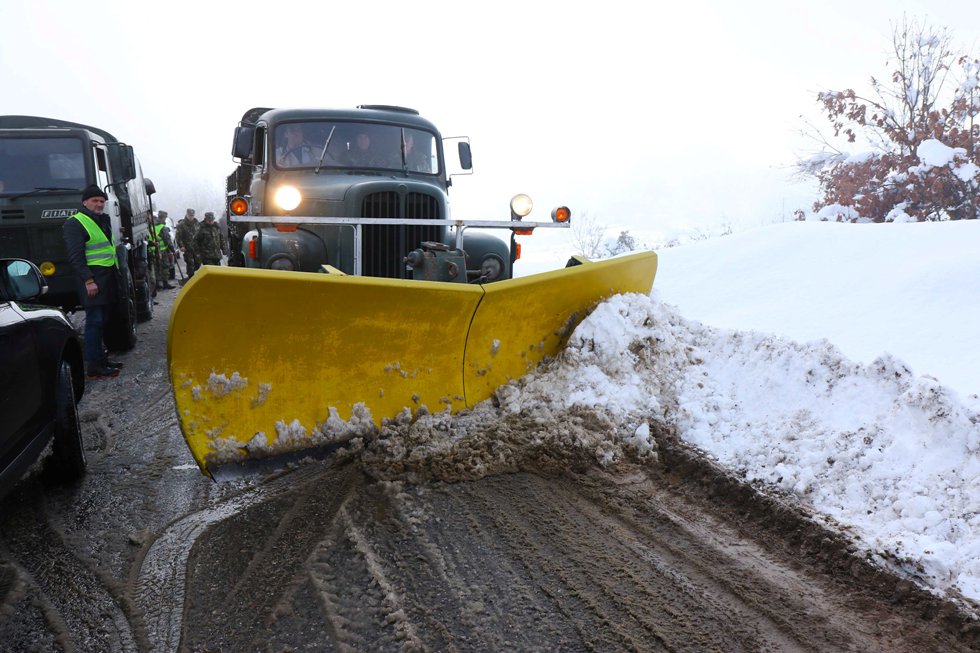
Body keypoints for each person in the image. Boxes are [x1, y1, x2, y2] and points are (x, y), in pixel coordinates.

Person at [62, 185, 123, 379]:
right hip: (93, 278)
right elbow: (75, 256)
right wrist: (88, 280)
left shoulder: (101, 220)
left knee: (103, 320)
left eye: (102, 201)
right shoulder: (75, 223)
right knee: (94, 322)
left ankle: (101, 360)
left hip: (107, 277)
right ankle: (94, 366)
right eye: (95, 201)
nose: (99, 204)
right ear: (85, 202)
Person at [149, 211, 176, 289]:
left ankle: (158, 284)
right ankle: (165, 283)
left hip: (152, 250)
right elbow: (168, 240)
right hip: (161, 251)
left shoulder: (151, 226)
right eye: (165, 218)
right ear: (163, 217)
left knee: (156, 267)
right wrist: (172, 250)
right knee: (165, 266)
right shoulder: (161, 227)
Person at [175, 208, 201, 278]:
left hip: (196, 247)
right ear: (186, 214)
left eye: (192, 215)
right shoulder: (182, 224)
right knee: (190, 263)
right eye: (189, 215)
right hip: (187, 248)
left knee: (198, 263)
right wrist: (181, 246)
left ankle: (192, 272)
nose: (191, 217)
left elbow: (200, 234)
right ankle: (190, 277)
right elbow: (178, 237)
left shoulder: (196, 223)